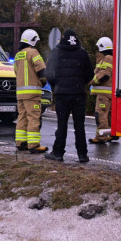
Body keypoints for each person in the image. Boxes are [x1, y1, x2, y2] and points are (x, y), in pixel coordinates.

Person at [43, 28, 94, 163]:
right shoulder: (82, 53)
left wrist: (57, 86)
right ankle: (82, 155)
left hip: (62, 94)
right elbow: (90, 75)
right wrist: (79, 83)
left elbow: (48, 74)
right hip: (78, 93)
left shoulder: (56, 52)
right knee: (79, 125)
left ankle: (58, 152)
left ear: (63, 38)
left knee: (62, 125)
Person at [14, 29, 48, 154]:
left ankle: (21, 143)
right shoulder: (33, 52)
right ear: (32, 40)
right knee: (34, 117)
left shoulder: (18, 55)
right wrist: (44, 81)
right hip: (32, 93)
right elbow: (41, 69)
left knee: (22, 117)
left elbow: (16, 72)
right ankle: (33, 145)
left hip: (20, 93)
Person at [89, 36, 115, 144]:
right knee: (107, 115)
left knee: (100, 115)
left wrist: (91, 80)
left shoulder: (108, 58)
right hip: (107, 94)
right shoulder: (108, 58)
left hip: (104, 95)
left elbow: (104, 75)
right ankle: (110, 134)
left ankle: (101, 137)